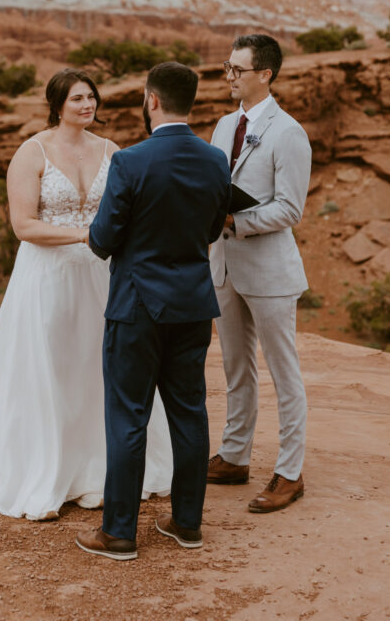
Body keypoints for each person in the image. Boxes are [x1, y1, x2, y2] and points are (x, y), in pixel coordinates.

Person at [0, 68, 173, 519]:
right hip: (47, 278)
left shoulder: (113, 152)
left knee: (100, 367)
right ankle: (44, 469)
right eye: (77, 99)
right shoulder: (31, 152)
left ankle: (99, 469)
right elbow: (23, 225)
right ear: (57, 105)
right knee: (50, 368)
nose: (87, 105)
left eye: (91, 97)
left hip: (100, 278)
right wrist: (85, 235)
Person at [75, 62, 231, 561]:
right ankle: (187, 524)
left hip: (137, 307)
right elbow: (210, 232)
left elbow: (101, 240)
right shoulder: (215, 161)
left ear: (151, 100)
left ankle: (119, 532)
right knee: (190, 413)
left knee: (127, 415)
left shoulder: (130, 162)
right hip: (191, 304)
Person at [207, 34, 312, 513]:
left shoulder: (288, 132)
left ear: (264, 74)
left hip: (269, 269)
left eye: (237, 69)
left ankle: (290, 472)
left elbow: (291, 209)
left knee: (282, 371)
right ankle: (234, 454)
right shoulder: (224, 124)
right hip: (224, 267)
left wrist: (235, 220)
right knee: (235, 366)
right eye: (227, 67)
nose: (229, 76)